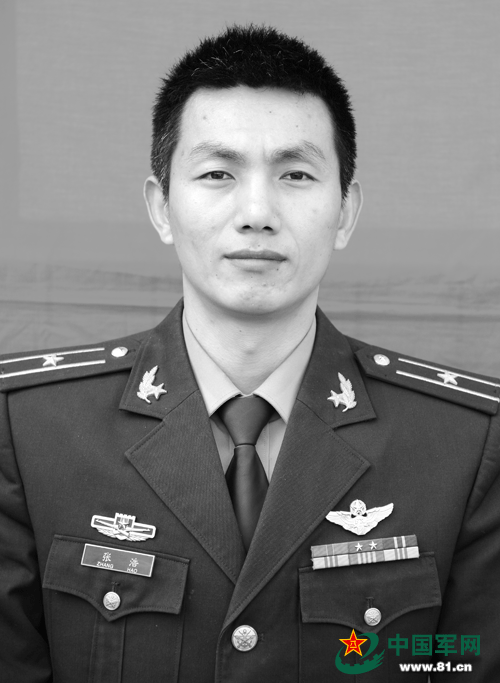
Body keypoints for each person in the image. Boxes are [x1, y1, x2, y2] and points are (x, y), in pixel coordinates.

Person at [0, 25, 499, 683]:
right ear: (161, 207)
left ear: (345, 211)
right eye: (217, 174)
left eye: (296, 174)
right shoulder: (31, 429)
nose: (257, 211)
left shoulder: (464, 443)